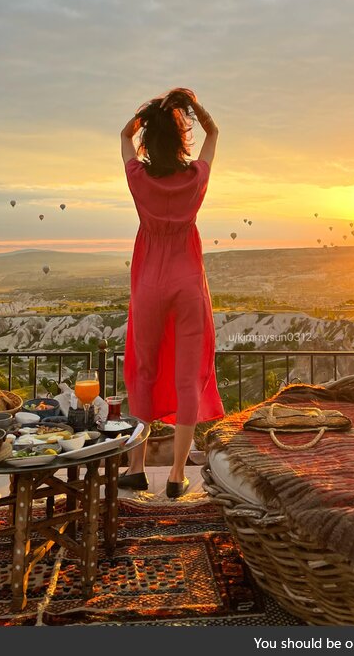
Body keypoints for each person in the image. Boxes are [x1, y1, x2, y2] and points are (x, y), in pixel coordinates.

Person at [119, 87, 224, 498]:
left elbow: (123, 136)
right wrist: (191, 107)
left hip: (149, 281)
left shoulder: (139, 180)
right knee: (187, 374)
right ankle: (179, 475)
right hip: (186, 279)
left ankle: (137, 466)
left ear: (149, 139)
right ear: (182, 138)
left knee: (143, 369)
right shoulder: (195, 178)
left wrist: (146, 115)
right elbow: (214, 132)